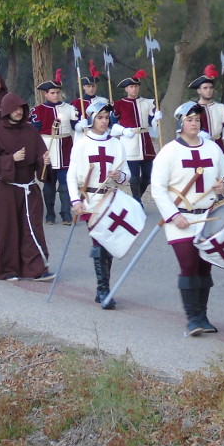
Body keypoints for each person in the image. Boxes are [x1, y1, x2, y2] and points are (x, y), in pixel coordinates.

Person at [152, 103, 224, 334]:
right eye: (189, 120)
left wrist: (223, 185)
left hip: (207, 217)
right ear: (180, 123)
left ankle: (202, 316)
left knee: (205, 266)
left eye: (197, 119)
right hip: (181, 220)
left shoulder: (212, 149)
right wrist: (174, 216)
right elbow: (158, 189)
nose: (194, 123)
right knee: (188, 265)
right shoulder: (169, 152)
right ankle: (192, 319)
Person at [0, 91, 54, 281]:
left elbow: (40, 161)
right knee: (8, 230)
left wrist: (44, 161)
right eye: (15, 109)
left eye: (21, 108)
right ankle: (7, 269)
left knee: (32, 228)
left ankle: (36, 268)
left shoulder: (30, 131)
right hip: (7, 189)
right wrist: (10, 159)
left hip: (29, 189)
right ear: (6, 111)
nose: (19, 112)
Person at [68, 100, 130, 309]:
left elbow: (126, 174)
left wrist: (119, 174)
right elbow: (70, 175)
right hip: (91, 200)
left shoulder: (116, 143)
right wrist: (75, 200)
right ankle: (103, 289)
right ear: (92, 118)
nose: (104, 121)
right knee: (99, 243)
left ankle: (103, 289)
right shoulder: (82, 143)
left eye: (107, 117)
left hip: (110, 198)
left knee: (107, 243)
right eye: (100, 117)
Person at [31, 70, 79, 225]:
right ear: (46, 94)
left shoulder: (69, 108)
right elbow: (33, 132)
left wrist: (82, 124)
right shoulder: (38, 110)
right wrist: (39, 154)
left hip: (65, 148)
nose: (56, 95)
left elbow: (76, 126)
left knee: (65, 184)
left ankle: (66, 214)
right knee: (49, 185)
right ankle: (50, 214)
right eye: (52, 93)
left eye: (58, 92)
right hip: (47, 150)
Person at [111, 70, 161, 204]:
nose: (134, 89)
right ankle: (138, 201)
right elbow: (112, 124)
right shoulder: (118, 104)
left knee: (147, 176)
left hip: (145, 141)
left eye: (136, 86)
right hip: (129, 141)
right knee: (133, 176)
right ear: (127, 89)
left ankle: (134, 200)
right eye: (131, 87)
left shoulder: (148, 103)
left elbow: (152, 122)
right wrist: (123, 131)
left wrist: (156, 118)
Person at [188, 64, 224, 152]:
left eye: (211, 88)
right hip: (199, 146)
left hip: (218, 145)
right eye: (205, 88)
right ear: (199, 90)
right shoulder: (192, 108)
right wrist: (199, 134)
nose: (209, 90)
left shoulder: (221, 108)